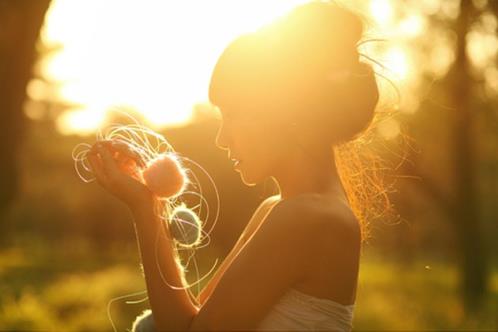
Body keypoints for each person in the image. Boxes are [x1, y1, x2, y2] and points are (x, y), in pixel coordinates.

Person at [89, 1, 381, 331]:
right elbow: (191, 319)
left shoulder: (308, 217)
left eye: (233, 114)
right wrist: (148, 202)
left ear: (283, 111)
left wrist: (145, 210)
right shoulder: (278, 210)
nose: (222, 139)